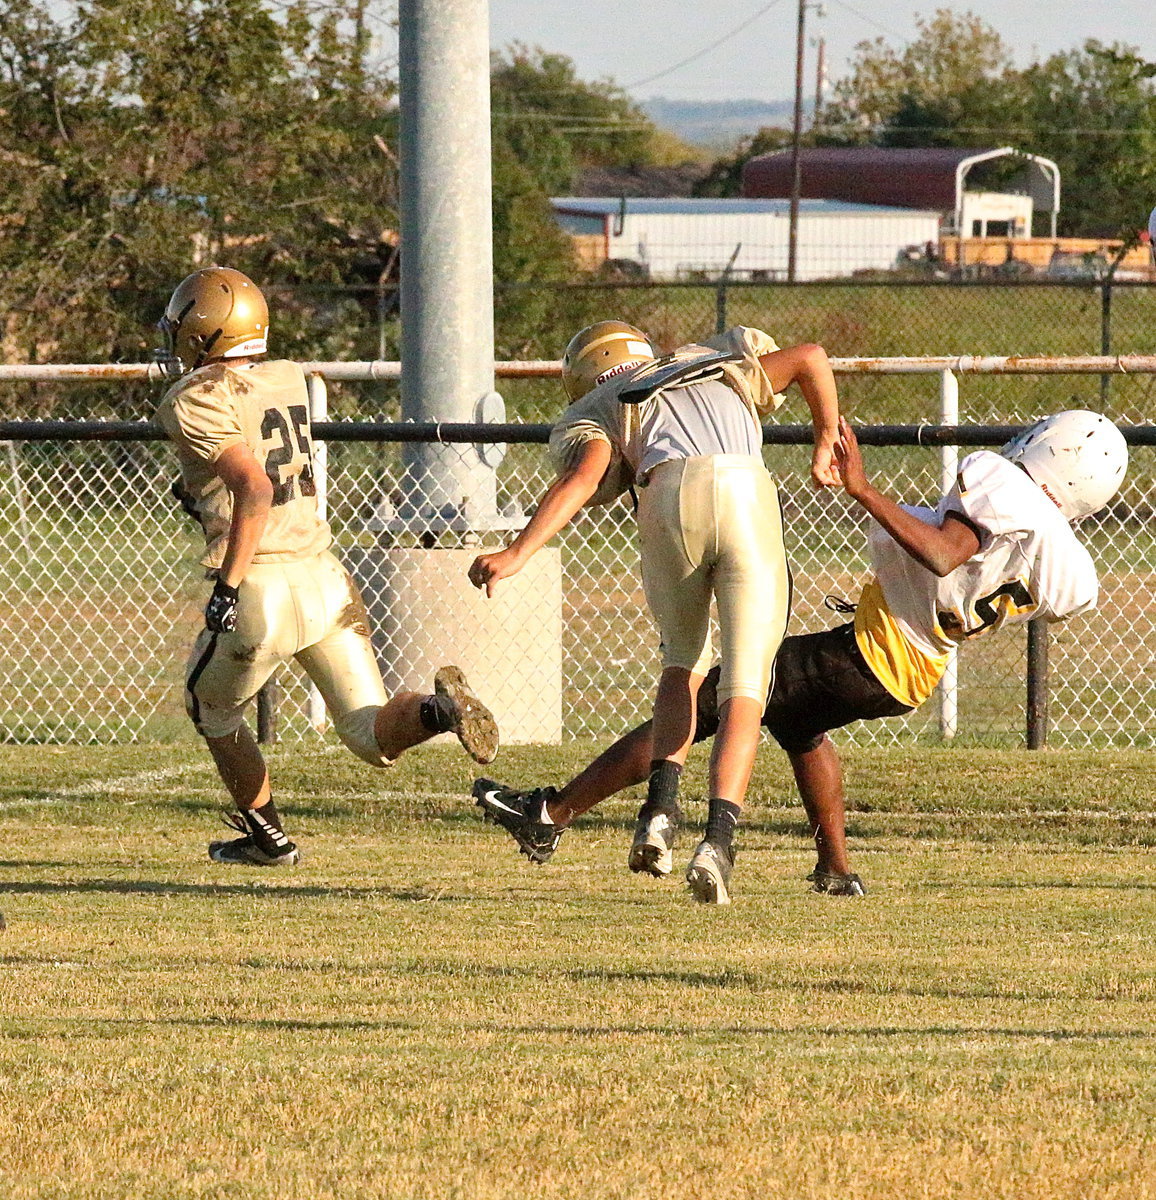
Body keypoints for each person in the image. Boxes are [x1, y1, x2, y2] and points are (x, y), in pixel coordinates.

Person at [474, 409, 1128, 898]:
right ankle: (835, 869)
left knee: (701, 701)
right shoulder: (1061, 559)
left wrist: (863, 489)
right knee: (802, 726)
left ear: (1051, 448)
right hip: (907, 673)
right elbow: (968, 557)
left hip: (871, 654)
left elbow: (944, 552)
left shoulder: (999, 490)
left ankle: (550, 815)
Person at [469, 321, 842, 903]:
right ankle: (718, 838)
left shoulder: (602, 403)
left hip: (666, 495)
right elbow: (812, 354)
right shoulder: (718, 364)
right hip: (745, 492)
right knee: (746, 682)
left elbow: (585, 473)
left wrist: (519, 551)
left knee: (683, 666)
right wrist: (823, 441)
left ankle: (661, 809)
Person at [155, 266, 498, 866]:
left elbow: (253, 489)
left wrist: (228, 585)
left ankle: (269, 838)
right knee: (369, 733)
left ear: (202, 331)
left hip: (261, 581)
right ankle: (437, 711)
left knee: (210, 709)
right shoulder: (287, 377)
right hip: (323, 575)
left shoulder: (195, 398)